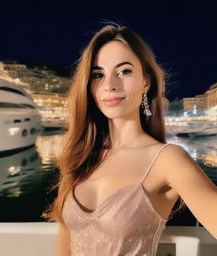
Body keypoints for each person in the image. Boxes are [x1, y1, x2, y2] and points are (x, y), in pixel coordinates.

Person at [43, 24, 217, 256]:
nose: (109, 85)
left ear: (146, 81)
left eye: (124, 71)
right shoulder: (79, 156)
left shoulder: (167, 160)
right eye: (98, 75)